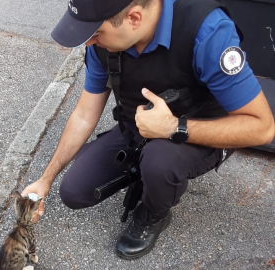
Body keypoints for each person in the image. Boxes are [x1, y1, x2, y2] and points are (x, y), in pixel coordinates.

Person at [21, 0, 275, 260]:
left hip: (206, 126)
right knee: (74, 191)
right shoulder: (102, 45)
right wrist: (45, 179)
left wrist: (174, 127)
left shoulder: (207, 30)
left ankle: (155, 211)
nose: (89, 43)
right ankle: (144, 166)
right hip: (142, 124)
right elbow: (85, 115)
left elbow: (262, 127)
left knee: (160, 163)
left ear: (134, 18)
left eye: (96, 33)